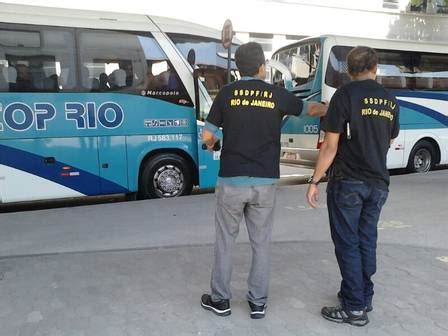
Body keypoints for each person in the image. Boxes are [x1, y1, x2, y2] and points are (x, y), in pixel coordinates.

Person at [200, 42, 327, 319]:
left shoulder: (226, 94)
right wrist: (331, 107)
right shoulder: (276, 95)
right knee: (261, 243)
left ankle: (220, 300)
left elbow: (208, 136)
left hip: (232, 180)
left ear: (237, 67)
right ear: (262, 67)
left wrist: (214, 144)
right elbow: (310, 109)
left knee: (225, 241)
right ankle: (257, 303)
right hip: (265, 182)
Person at [306, 46, 400, 326]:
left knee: (347, 242)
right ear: (376, 68)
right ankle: (362, 295)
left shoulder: (344, 96)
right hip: (378, 183)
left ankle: (354, 308)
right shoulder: (390, 99)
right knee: (366, 239)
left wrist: (314, 181)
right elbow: (390, 139)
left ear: (349, 70)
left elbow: (330, 146)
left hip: (348, 182)